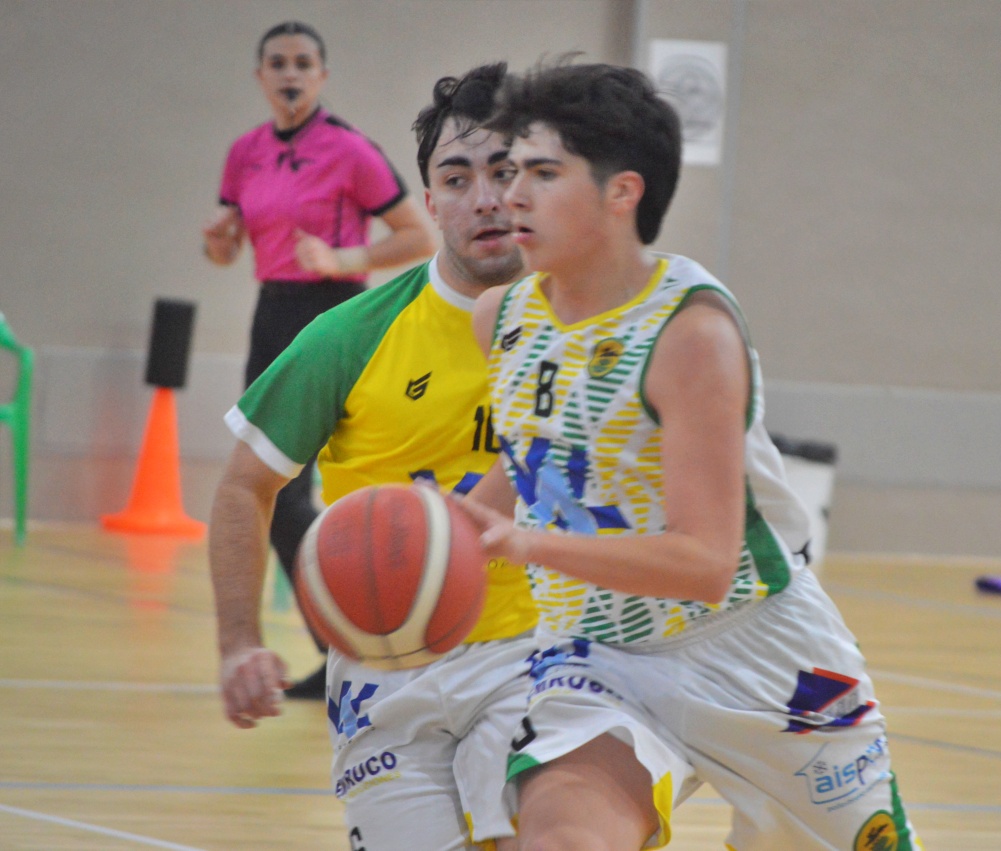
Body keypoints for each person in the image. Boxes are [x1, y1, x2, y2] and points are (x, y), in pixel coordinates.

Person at [459, 61, 920, 850]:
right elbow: (538, 454)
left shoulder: (690, 333)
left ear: (622, 192)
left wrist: (526, 543)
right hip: (597, 655)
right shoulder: (503, 318)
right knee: (561, 839)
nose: (513, 196)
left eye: (544, 173)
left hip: (759, 655)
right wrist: (445, 531)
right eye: (512, 172)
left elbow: (704, 562)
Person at [209, 63, 539, 851]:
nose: (485, 198)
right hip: (384, 664)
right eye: (456, 179)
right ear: (429, 203)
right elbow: (244, 487)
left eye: (504, 172)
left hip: (541, 652)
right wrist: (238, 641)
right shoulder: (349, 336)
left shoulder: (590, 326)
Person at [203, 20, 434, 698]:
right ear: (260, 76)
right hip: (271, 313)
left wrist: (343, 257)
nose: (290, 74)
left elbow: (417, 235)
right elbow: (227, 250)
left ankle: (361, 638)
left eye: (303, 63)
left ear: (322, 76)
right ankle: (341, 648)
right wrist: (217, 242)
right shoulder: (244, 153)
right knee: (272, 492)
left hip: (333, 315)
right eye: (278, 63)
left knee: (299, 496)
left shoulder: (350, 149)